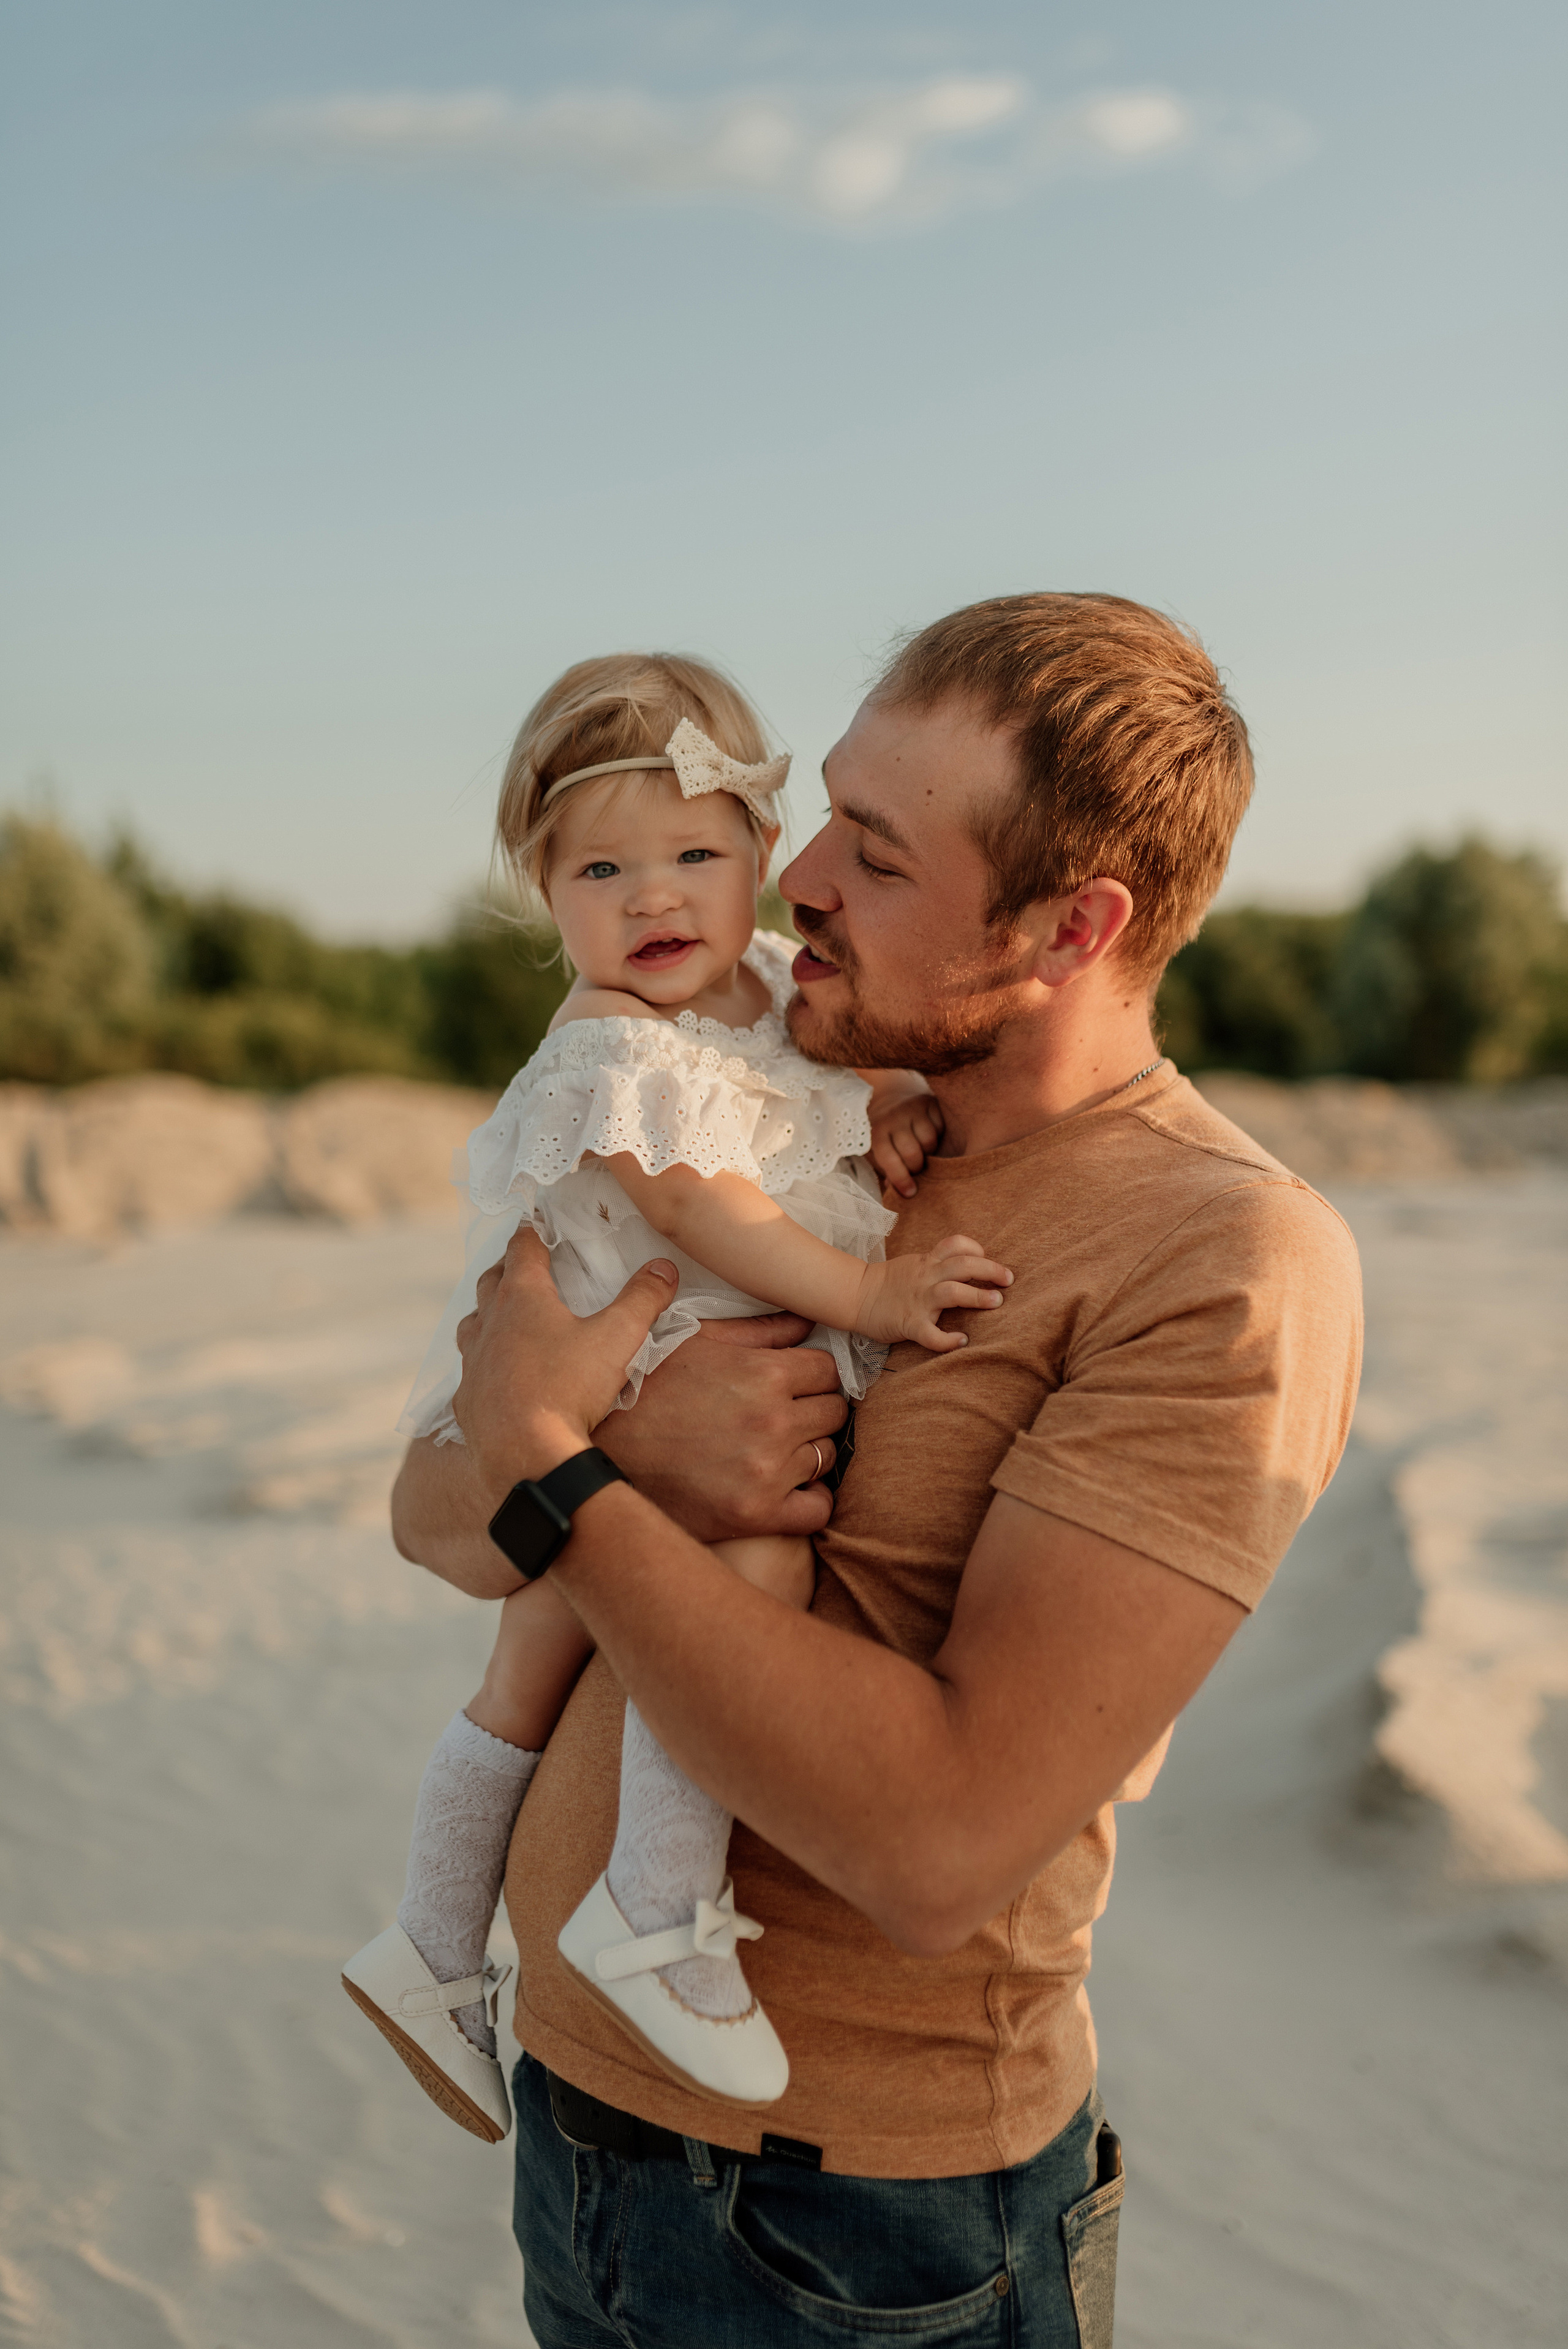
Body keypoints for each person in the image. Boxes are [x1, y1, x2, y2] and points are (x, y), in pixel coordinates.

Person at [392, 593, 1364, 2348]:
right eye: (823, 807)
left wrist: (562, 1463)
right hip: (575, 2133)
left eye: (880, 854)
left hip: (862, 2236)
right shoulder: (754, 1095)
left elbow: (935, 1846)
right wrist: (608, 1450)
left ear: (1075, 926)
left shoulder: (1220, 1256)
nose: (802, 872)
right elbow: (428, 1510)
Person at [344, 651, 1012, 2139]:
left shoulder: (764, 996)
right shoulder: (605, 1051)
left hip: (632, 1394)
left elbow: (804, 1104)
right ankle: (651, 1904)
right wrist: (877, 1297)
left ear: (761, 858)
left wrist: (891, 1106)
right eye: (602, 869)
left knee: (526, 1674)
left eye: (694, 855)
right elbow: (716, 1214)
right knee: (752, 1560)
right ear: (543, 888)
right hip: (621, 1366)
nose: (654, 900)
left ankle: (430, 1945)